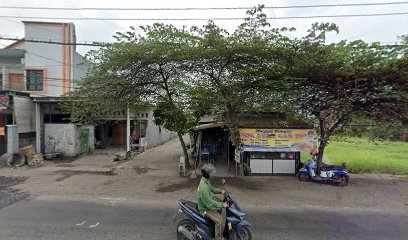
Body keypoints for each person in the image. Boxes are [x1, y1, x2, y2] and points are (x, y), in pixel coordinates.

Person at [197, 164, 228, 240]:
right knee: (220, 220)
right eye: (211, 173)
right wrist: (222, 205)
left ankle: (215, 223)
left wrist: (220, 191)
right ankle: (219, 238)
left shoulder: (205, 180)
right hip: (205, 209)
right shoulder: (203, 187)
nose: (213, 174)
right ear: (207, 174)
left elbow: (212, 189)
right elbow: (209, 204)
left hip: (207, 202)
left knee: (219, 200)